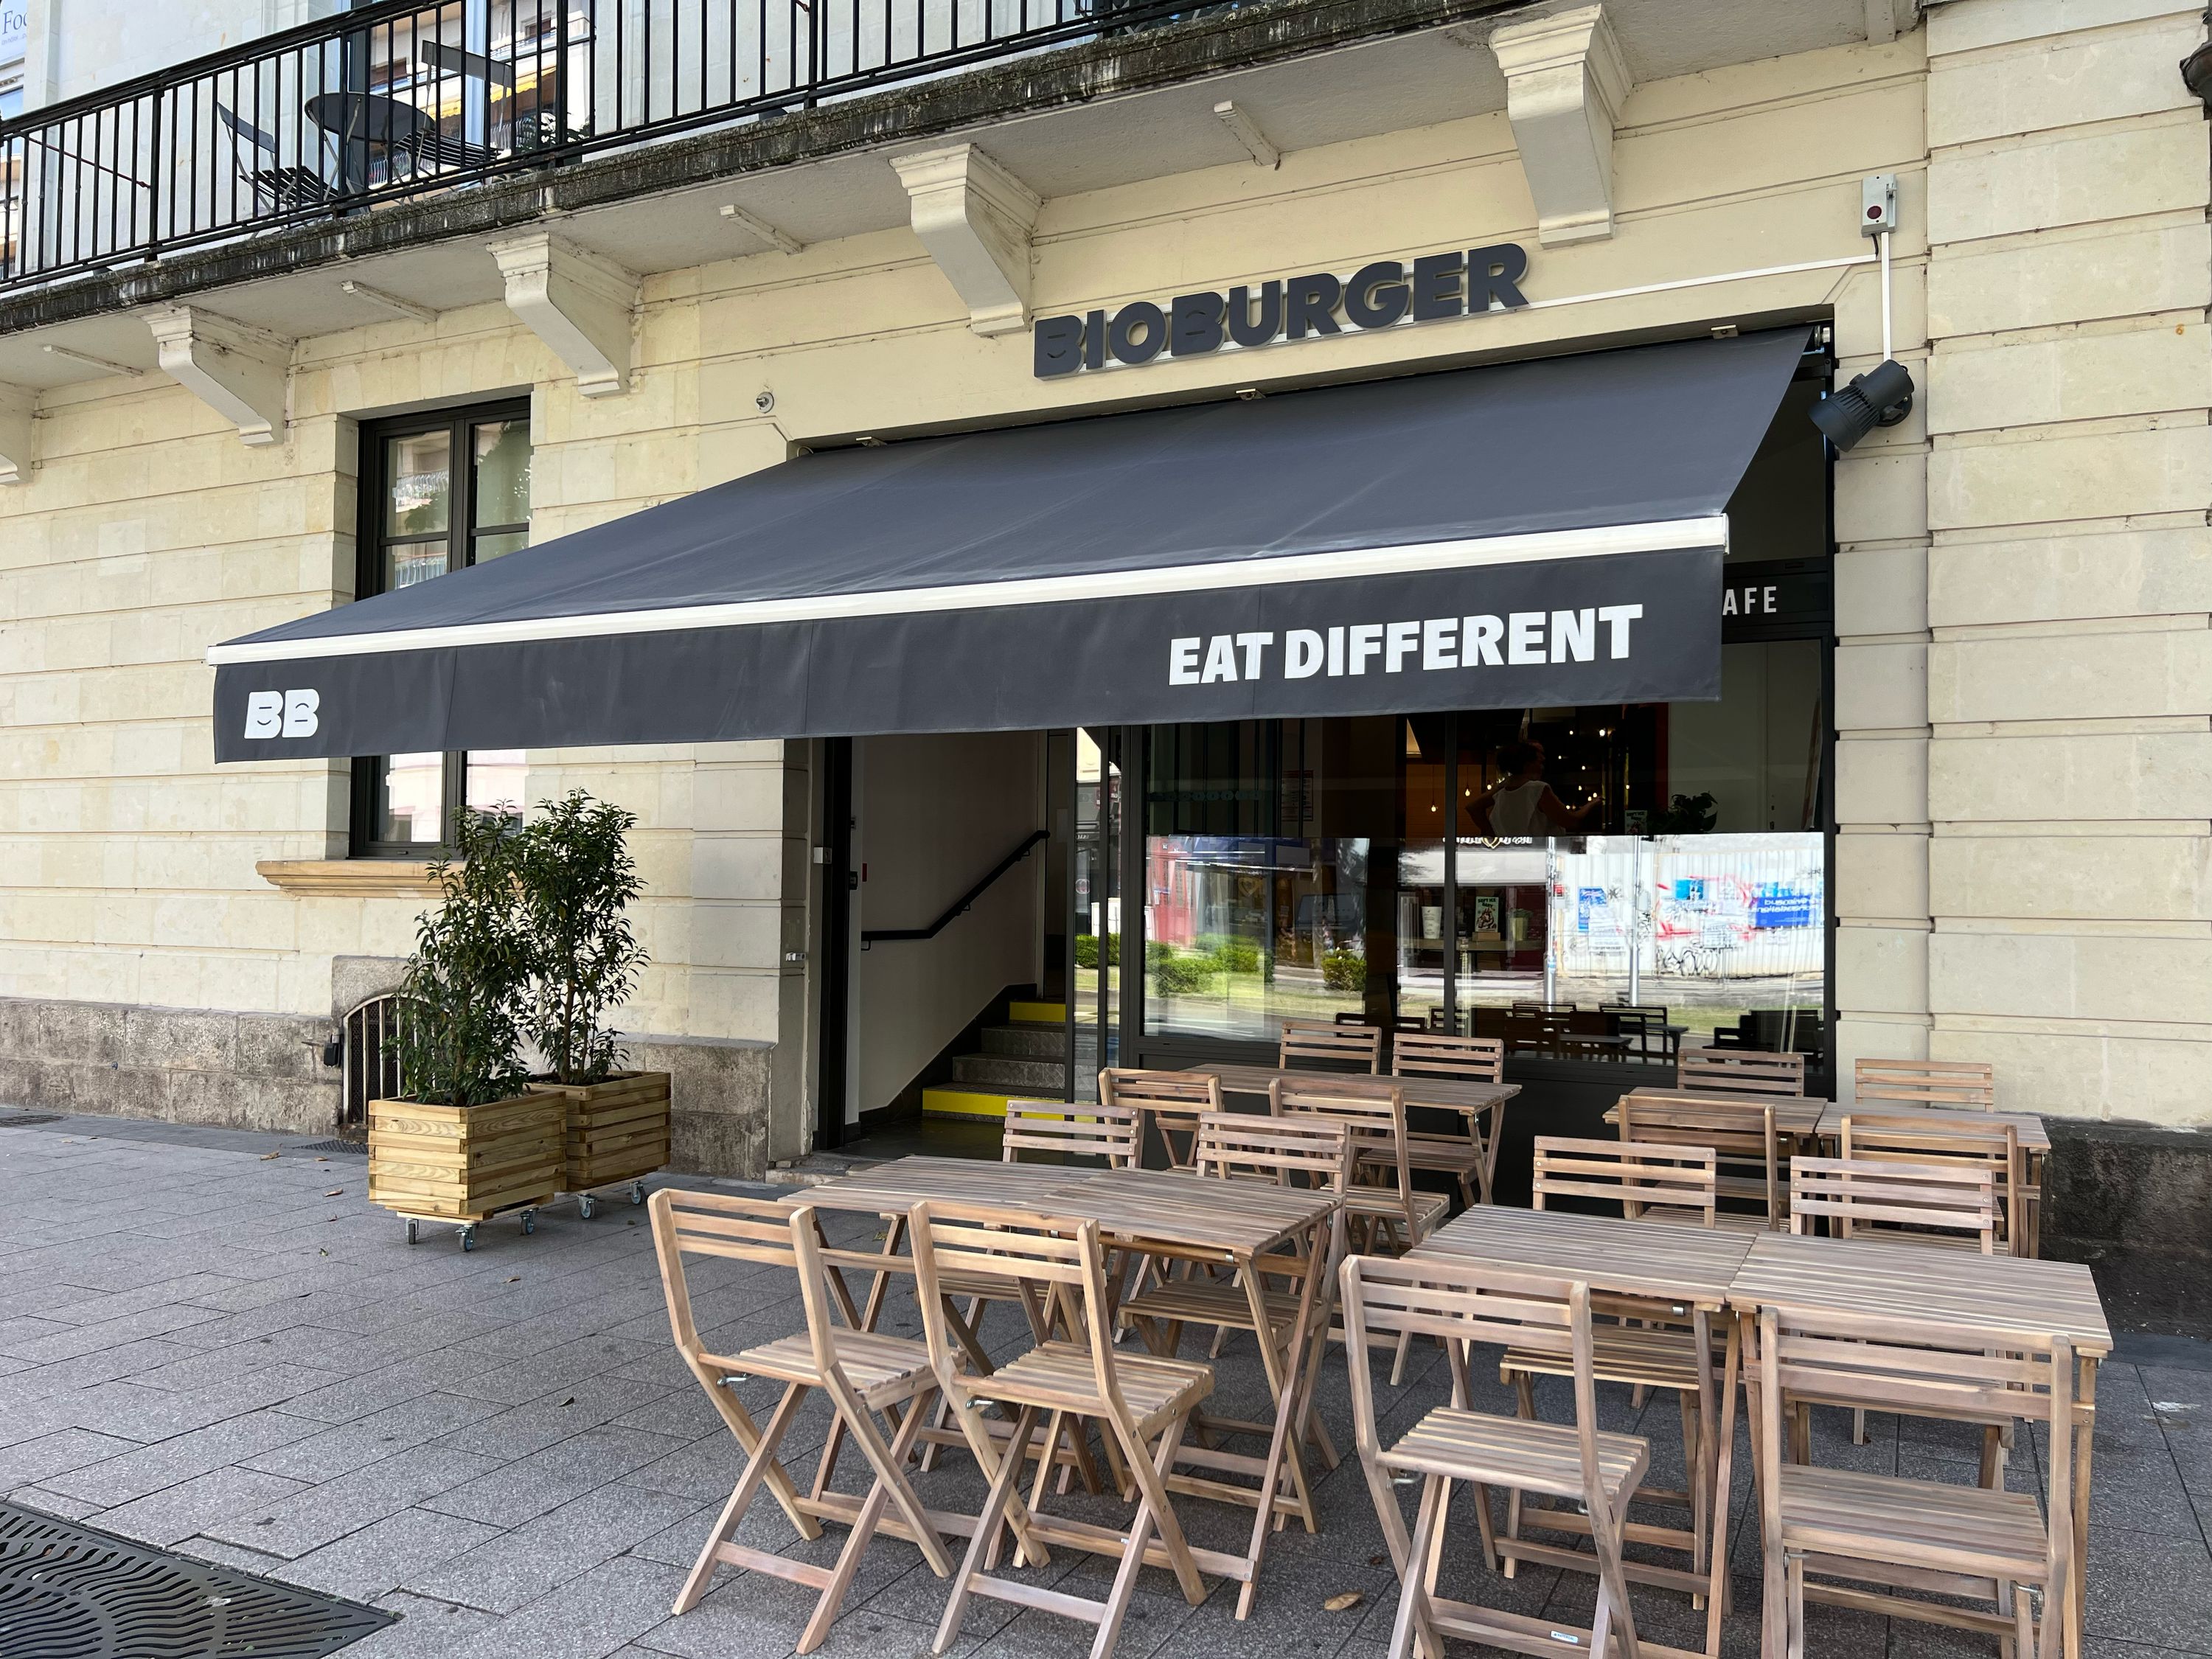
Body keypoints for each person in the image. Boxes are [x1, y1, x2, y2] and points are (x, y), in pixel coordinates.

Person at [1473, 741, 1598, 837]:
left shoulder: (1501, 792)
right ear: (1528, 764)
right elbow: (1570, 821)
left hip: (1511, 855)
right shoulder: (1538, 789)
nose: (1542, 766)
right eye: (1539, 762)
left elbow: (1473, 807)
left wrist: (1495, 836)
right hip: (1537, 854)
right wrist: (1591, 804)